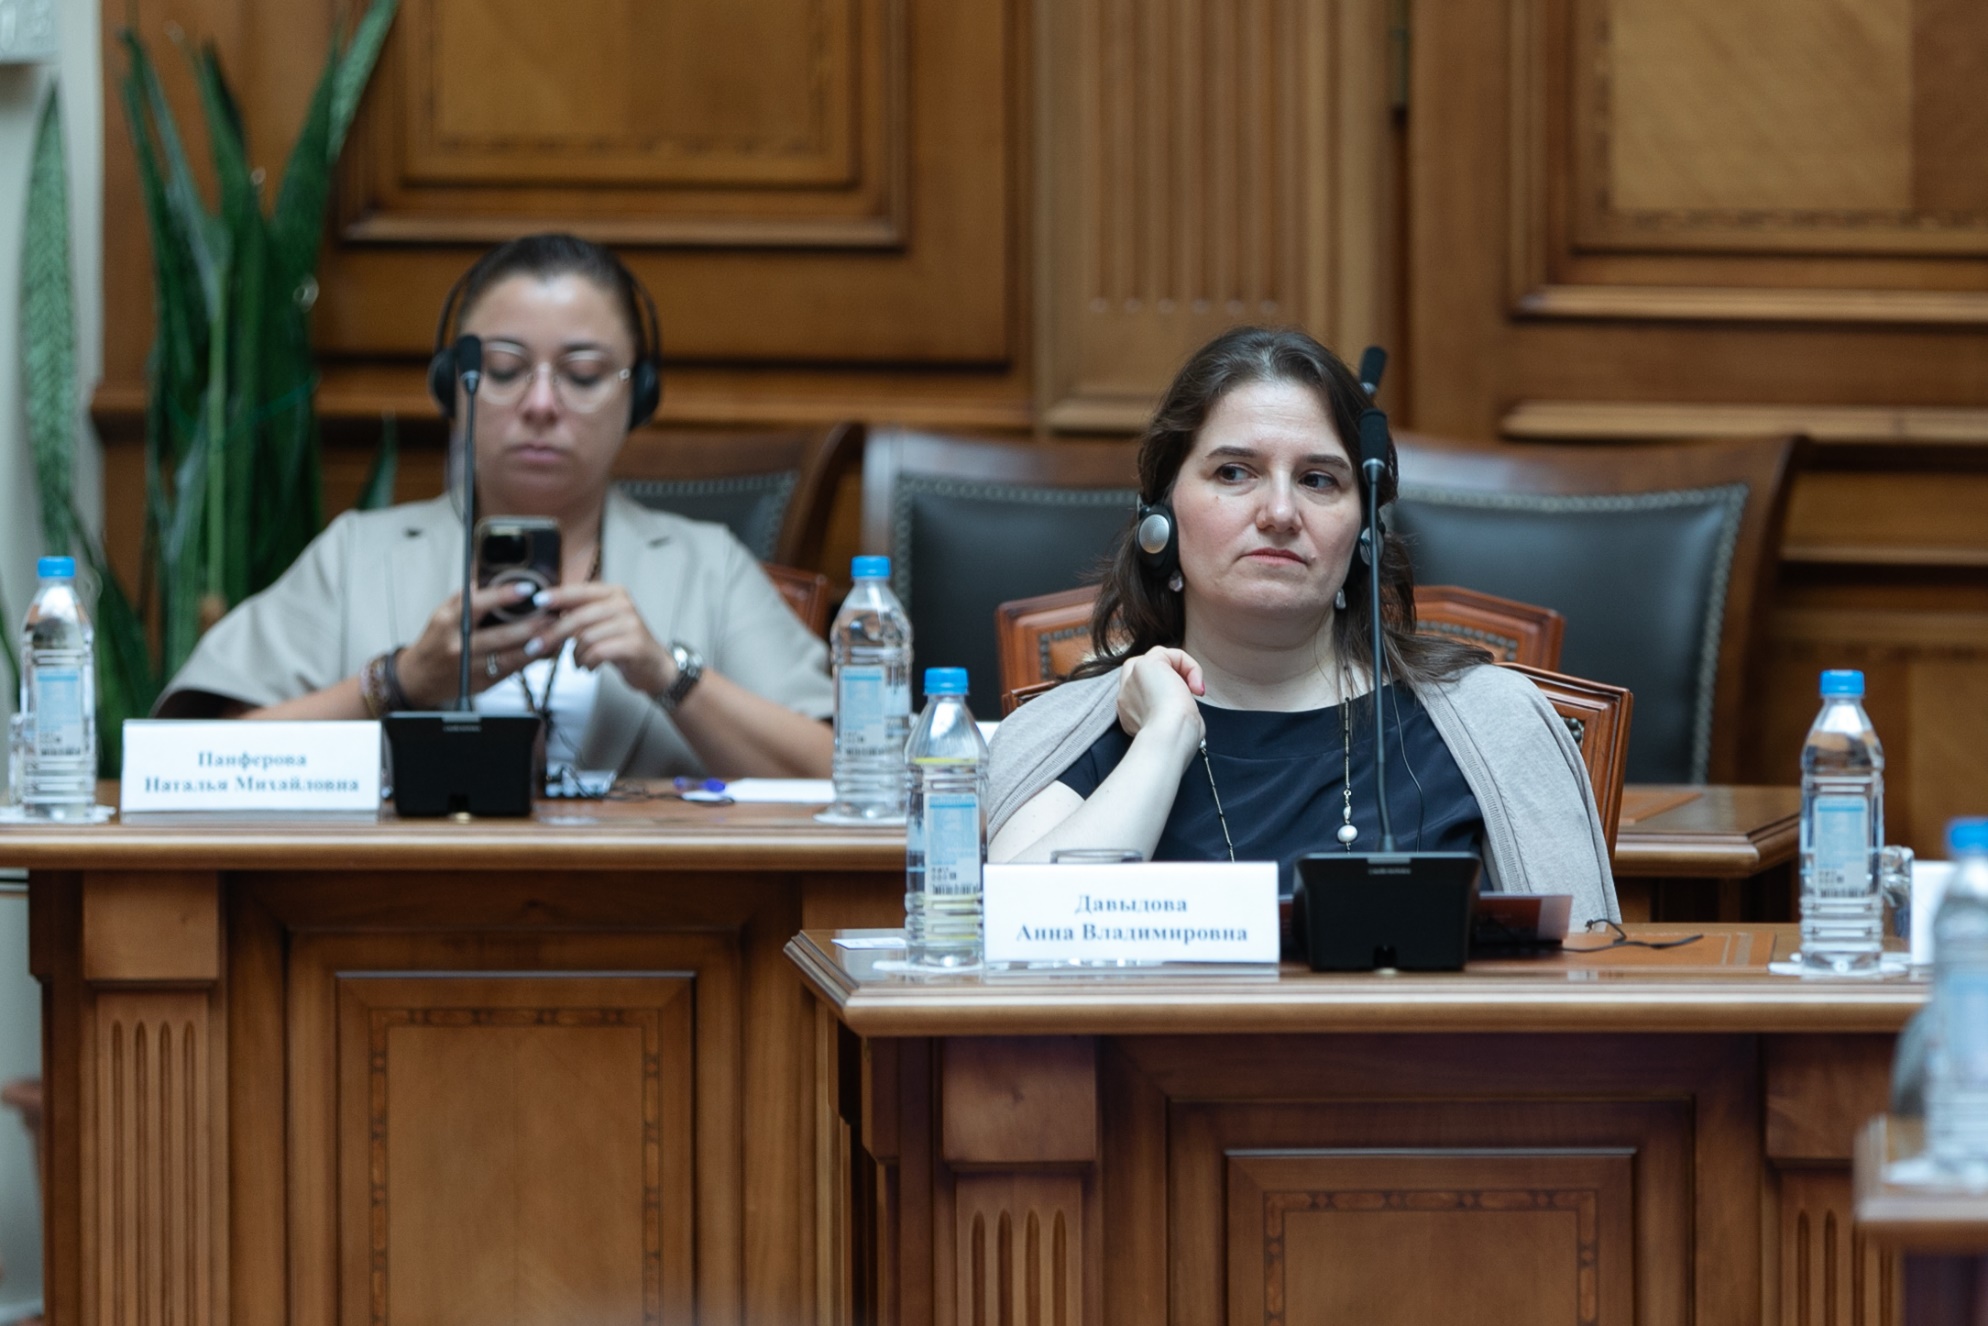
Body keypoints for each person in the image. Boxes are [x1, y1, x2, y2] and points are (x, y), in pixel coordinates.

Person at [986, 326, 1619, 924]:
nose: (1281, 512)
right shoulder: (1061, 737)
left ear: (1365, 534)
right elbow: (1019, 946)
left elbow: (1590, 977)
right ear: (1161, 518)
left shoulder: (1493, 723)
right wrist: (1164, 737)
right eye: (1234, 472)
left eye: (1318, 480)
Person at [157, 233, 834, 781]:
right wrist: (397, 682)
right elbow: (191, 765)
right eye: (505, 370)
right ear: (453, 386)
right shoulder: (358, 554)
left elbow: (846, 774)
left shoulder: (707, 565)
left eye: (583, 374)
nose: (541, 404)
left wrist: (669, 675)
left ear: (639, 396)